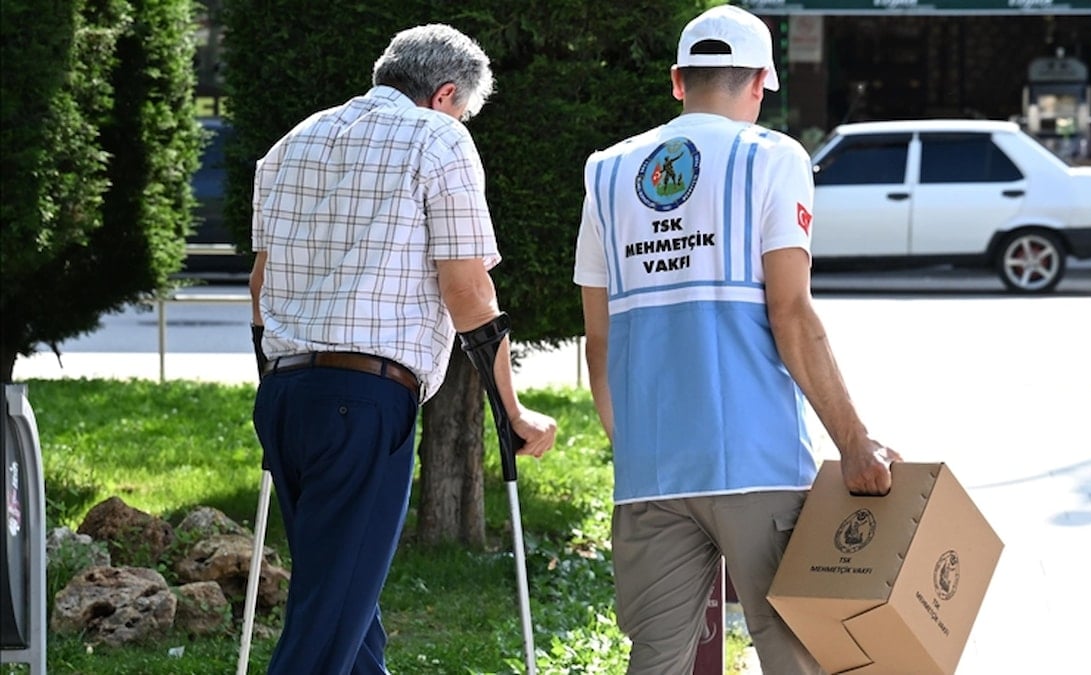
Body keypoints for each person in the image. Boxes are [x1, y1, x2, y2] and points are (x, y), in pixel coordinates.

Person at [572, 6, 901, 674]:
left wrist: (632, 450)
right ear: (758, 83)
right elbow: (791, 313)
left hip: (650, 472)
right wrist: (854, 441)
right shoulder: (772, 157)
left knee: (657, 659)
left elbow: (598, 343)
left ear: (677, 81)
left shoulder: (606, 172)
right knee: (794, 653)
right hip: (757, 462)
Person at [249, 24, 557, 675]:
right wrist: (512, 411)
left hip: (283, 394)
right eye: (463, 109)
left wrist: (272, 384)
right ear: (445, 94)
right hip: (363, 400)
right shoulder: (439, 137)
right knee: (326, 626)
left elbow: (260, 283)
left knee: (344, 606)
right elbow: (468, 291)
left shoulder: (292, 141)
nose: (462, 120)